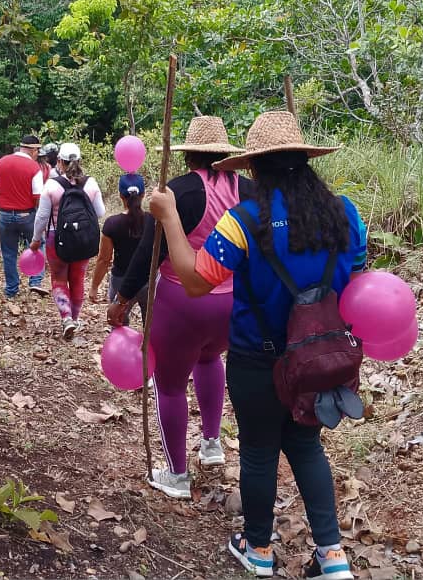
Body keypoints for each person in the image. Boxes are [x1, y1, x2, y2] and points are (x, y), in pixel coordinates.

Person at [148, 111, 367, 580]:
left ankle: (259, 549)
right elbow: (359, 281)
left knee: (259, 451)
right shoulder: (345, 213)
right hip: (321, 358)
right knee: (306, 446)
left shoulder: (243, 221)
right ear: (306, 160)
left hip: (257, 359)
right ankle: (332, 556)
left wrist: (169, 218)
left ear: (252, 167)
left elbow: (195, 280)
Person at [107, 116, 251, 500]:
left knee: (169, 385)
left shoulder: (176, 193)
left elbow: (149, 253)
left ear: (188, 155)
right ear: (225, 155)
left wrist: (122, 300)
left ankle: (176, 474)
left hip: (181, 303)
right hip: (232, 302)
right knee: (210, 358)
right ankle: (212, 443)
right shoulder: (250, 190)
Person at [30, 143, 105, 339]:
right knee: (78, 279)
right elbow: (100, 212)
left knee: (59, 279)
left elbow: (41, 217)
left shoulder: (51, 185)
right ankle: (76, 318)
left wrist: (36, 240)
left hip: (56, 239)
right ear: (79, 161)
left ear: (59, 162)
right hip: (83, 239)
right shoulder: (91, 184)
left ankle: (67, 318)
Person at [0, 136, 46, 298]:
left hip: (5, 214)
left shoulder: (1, 162)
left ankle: (11, 288)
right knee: (37, 245)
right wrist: (37, 213)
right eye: (37, 151)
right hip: (27, 214)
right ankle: (35, 281)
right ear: (33, 150)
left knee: (8, 252)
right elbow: (38, 196)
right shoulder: (34, 167)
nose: (37, 154)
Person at [89, 173, 149, 324]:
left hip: (121, 282)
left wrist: (94, 287)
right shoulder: (154, 221)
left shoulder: (112, 224)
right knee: (152, 327)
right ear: (143, 194)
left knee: (119, 325)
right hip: (149, 280)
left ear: (120, 196)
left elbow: (104, 260)